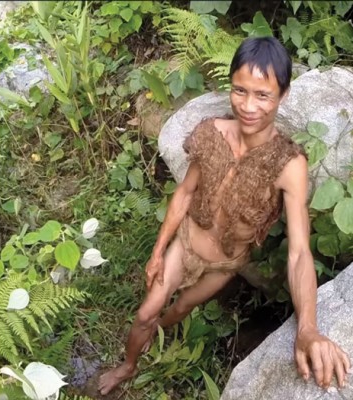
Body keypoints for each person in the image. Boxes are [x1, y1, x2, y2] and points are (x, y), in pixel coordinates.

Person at [97, 36, 351, 395]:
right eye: (240, 91)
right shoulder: (212, 134)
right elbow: (184, 194)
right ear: (229, 86)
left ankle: (161, 331)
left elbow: (298, 253)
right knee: (145, 311)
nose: (248, 106)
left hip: (224, 264)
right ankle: (128, 365)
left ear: (284, 95)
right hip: (185, 245)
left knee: (182, 307)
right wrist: (158, 251)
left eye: (263, 95)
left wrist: (308, 328)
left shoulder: (289, 164)